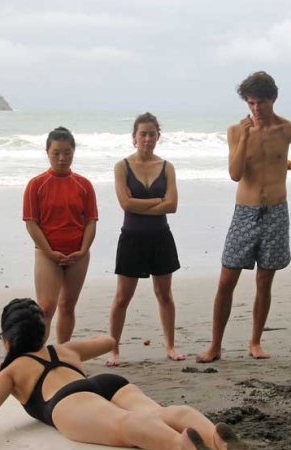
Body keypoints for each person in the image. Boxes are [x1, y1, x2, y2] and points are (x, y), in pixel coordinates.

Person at [0, 298, 247, 450]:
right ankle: (215, 438)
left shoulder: (11, 371)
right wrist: (74, 346)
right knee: (161, 412)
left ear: (7, 339)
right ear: (43, 333)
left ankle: (178, 447)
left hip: (69, 401)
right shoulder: (63, 350)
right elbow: (108, 342)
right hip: (105, 384)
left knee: (126, 424)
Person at [196, 71, 291, 363]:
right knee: (226, 280)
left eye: (261, 103)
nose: (255, 109)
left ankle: (255, 341)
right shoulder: (236, 131)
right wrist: (244, 137)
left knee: (264, 281)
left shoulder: (287, 129)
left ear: (273, 99)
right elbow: (234, 174)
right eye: (251, 103)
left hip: (276, 212)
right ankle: (215, 345)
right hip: (245, 212)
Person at [107, 113, 185, 367]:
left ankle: (170, 346)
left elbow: (172, 206)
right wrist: (158, 202)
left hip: (161, 237)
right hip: (132, 238)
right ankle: (113, 349)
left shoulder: (167, 167)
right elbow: (125, 203)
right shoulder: (122, 166)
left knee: (164, 295)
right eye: (143, 134)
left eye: (152, 134)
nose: (147, 138)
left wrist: (146, 205)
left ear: (158, 137)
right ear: (134, 137)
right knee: (122, 297)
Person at [23, 127, 97, 344]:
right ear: (47, 152)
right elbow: (31, 224)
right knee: (46, 307)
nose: (62, 158)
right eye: (56, 153)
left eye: (67, 152)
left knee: (68, 305)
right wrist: (50, 252)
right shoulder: (36, 184)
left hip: (78, 253)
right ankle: (40, 355)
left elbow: (91, 221)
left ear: (74, 152)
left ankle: (63, 353)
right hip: (47, 253)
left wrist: (83, 250)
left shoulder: (84, 185)